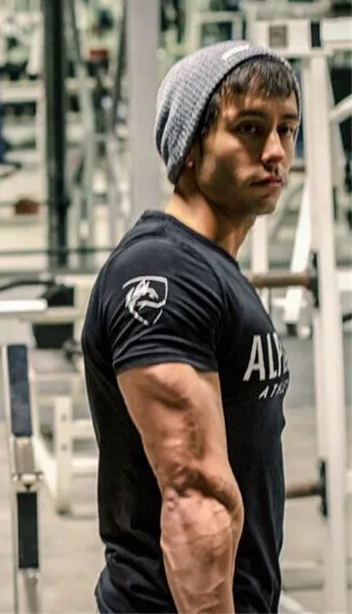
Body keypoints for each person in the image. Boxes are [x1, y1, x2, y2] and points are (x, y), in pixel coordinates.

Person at [81, 40, 301, 613]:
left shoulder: (209, 268)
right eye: (249, 129)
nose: (275, 152)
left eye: (286, 129)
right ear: (188, 148)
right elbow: (193, 496)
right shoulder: (163, 272)